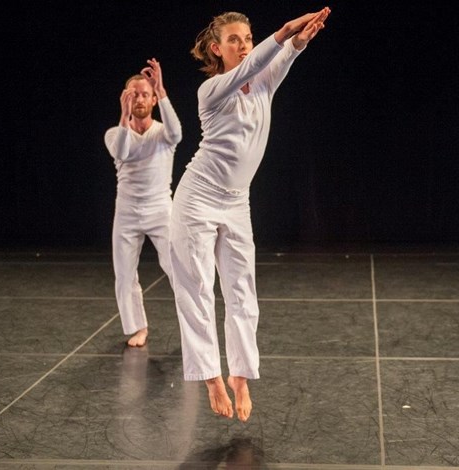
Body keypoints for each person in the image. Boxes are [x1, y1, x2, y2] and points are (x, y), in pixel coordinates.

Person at [170, 7, 331, 422]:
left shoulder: (262, 85)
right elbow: (258, 61)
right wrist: (284, 31)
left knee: (242, 290)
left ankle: (240, 374)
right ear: (216, 48)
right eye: (234, 40)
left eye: (247, 38)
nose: (243, 46)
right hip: (197, 198)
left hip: (237, 201)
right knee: (196, 287)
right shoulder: (211, 91)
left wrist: (299, 40)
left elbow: (281, 59)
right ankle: (210, 377)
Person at [104, 58, 182, 348]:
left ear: (152, 100)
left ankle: (192, 324)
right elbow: (122, 152)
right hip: (127, 211)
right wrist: (124, 116)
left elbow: (177, 133)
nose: (139, 99)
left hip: (160, 209)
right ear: (125, 98)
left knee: (177, 267)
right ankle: (138, 327)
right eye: (133, 94)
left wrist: (161, 90)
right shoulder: (115, 134)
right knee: (124, 274)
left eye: (145, 94)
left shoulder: (163, 133)